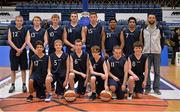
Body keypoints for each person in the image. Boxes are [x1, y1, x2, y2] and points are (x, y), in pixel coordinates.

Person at [141, 14, 165, 95]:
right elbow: (142, 40)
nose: (151, 19)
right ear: (148, 19)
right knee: (146, 71)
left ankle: (156, 88)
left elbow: (162, 40)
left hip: (156, 53)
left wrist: (159, 49)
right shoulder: (144, 29)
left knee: (157, 72)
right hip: (146, 52)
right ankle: (147, 88)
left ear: (155, 19)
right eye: (150, 18)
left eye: (153, 18)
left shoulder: (159, 29)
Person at [8, 15, 28, 93]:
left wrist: (20, 50)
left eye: (21, 20)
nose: (19, 22)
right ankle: (12, 85)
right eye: (18, 20)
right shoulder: (11, 29)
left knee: (23, 69)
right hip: (13, 52)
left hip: (23, 52)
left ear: (22, 22)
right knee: (13, 69)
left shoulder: (25, 29)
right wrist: (17, 49)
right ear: (15, 21)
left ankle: (24, 84)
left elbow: (26, 41)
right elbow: (9, 40)